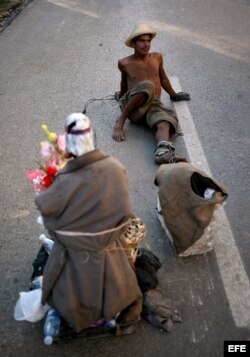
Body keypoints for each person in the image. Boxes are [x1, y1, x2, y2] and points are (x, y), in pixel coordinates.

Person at [35, 113, 142, 333]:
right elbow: (124, 213)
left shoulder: (64, 181)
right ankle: (112, 313)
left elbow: (49, 219)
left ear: (68, 144)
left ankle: (68, 315)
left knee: (47, 263)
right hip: (110, 254)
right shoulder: (115, 169)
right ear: (92, 138)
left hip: (73, 258)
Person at [112, 23, 190, 165]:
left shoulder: (157, 58)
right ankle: (120, 121)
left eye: (148, 41)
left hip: (152, 106)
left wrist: (173, 95)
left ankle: (163, 153)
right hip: (134, 108)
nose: (146, 44)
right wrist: (122, 96)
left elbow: (164, 78)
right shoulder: (125, 63)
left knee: (164, 121)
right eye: (142, 41)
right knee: (148, 85)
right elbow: (124, 83)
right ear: (134, 44)